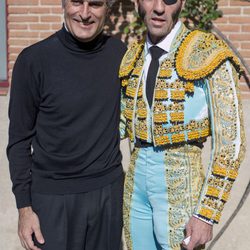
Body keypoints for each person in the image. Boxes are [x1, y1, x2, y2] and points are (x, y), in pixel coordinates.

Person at [119, 0, 246, 249]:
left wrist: (205, 214)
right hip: (135, 186)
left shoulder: (209, 52)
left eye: (169, 0)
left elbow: (231, 143)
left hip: (183, 187)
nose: (158, 8)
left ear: (182, 3)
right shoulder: (132, 56)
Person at [7, 0, 126, 249]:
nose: (84, 13)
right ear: (64, 4)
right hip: (52, 200)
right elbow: (18, 142)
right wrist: (24, 208)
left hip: (108, 194)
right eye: (76, 2)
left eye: (94, 4)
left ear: (108, 7)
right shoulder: (33, 61)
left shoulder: (120, 55)